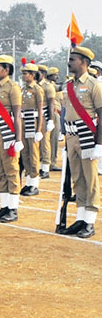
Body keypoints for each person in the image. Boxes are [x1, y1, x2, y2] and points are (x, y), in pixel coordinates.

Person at [58, 45, 102, 238]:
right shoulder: (69, 86)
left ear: (84, 62)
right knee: (78, 179)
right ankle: (81, 218)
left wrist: (99, 144)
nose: (69, 62)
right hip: (72, 136)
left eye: (73, 59)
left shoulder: (94, 85)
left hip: (87, 136)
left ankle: (89, 222)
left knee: (90, 179)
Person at [0, 51, 23, 223]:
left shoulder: (12, 88)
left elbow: (17, 115)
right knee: (0, 171)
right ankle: (4, 206)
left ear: (7, 70)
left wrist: (19, 139)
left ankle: (13, 209)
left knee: (11, 171)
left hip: (6, 132)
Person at [19, 62, 45, 196]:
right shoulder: (22, 89)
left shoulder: (37, 89)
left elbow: (40, 111)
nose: (23, 76)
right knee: (25, 153)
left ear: (33, 75)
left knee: (33, 154)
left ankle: (34, 183)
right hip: (23, 122)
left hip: (33, 122)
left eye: (25, 73)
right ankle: (28, 182)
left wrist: (39, 130)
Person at [37, 64, 56, 179]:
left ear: (42, 74)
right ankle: (39, 165)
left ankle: (45, 168)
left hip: (45, 116)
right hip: (36, 117)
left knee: (45, 143)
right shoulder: (35, 86)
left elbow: (51, 104)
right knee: (37, 144)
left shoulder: (48, 86)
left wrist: (51, 120)